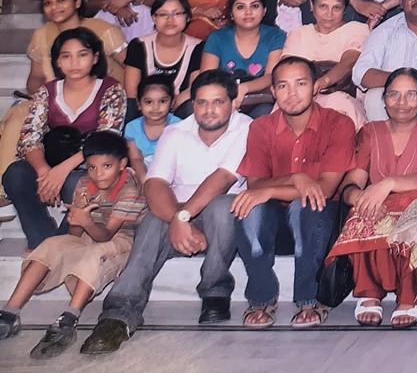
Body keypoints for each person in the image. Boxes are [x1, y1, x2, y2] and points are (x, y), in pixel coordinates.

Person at [78, 70, 252, 354]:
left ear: (233, 104)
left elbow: (222, 179)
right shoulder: (176, 132)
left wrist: (182, 217)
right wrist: (177, 219)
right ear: (192, 103)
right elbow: (155, 183)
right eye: (201, 102)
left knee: (223, 207)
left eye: (218, 102)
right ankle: (118, 314)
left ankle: (215, 290)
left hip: (222, 215)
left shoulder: (246, 128)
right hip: (179, 212)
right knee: (152, 221)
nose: (209, 110)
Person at [233, 56, 357, 328]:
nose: (292, 93)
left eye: (300, 84)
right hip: (275, 221)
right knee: (248, 207)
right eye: (283, 86)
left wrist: (273, 189)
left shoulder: (339, 124)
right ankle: (261, 298)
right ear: (273, 91)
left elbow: (323, 189)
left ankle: (308, 300)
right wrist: (295, 178)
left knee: (306, 205)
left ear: (314, 87)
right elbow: (255, 186)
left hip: (319, 220)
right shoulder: (261, 127)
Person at [0, 131, 142, 359]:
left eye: (106, 166)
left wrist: (85, 221)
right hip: (89, 233)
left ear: (122, 164)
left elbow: (106, 236)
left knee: (94, 253)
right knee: (51, 245)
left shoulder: (130, 188)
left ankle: (68, 319)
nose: (98, 174)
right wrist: (76, 219)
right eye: (92, 167)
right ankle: (10, 312)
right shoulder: (84, 183)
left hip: (120, 239)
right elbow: (75, 235)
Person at [329, 67, 417, 329]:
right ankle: (369, 291)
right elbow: (352, 183)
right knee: (362, 209)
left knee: (412, 205)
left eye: (411, 95)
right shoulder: (370, 132)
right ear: (383, 100)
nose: (402, 102)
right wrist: (358, 197)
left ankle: (410, 296)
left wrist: (389, 184)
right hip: (380, 207)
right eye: (394, 94)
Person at [4, 27, 127, 249]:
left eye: (82, 55)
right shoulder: (47, 91)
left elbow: (107, 140)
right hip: (51, 161)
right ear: (57, 62)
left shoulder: (110, 89)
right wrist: (44, 172)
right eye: (66, 56)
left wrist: (61, 171)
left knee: (77, 184)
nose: (74, 63)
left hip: (90, 167)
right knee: (16, 174)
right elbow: (29, 137)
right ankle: (42, 243)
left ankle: (58, 247)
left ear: (95, 57)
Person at [281, 0, 370, 128]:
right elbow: (287, 68)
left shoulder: (358, 29)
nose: (329, 14)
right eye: (323, 6)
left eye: (336, 8)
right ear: (312, 6)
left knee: (339, 105)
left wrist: (323, 82)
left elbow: (348, 63)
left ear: (345, 9)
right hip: (300, 96)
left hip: (342, 94)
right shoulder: (299, 33)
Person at [199, 0, 285, 117]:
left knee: (265, 113)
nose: (248, 12)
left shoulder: (276, 36)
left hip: (260, 101)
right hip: (222, 99)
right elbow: (207, 78)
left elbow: (271, 76)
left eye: (254, 6)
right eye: (240, 7)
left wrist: (244, 88)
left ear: (264, 11)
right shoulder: (217, 38)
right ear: (231, 14)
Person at [121, 0, 203, 123]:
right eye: (163, 14)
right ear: (154, 18)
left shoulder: (198, 47)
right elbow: (132, 93)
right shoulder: (138, 45)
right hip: (144, 110)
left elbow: (194, 88)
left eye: (177, 14)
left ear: (187, 17)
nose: (170, 20)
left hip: (180, 112)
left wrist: (170, 104)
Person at [123, 77, 179, 176]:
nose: (155, 107)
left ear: (172, 102)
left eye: (162, 101)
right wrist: (145, 181)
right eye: (148, 102)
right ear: (139, 103)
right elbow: (136, 159)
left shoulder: (179, 126)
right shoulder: (132, 127)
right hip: (142, 175)